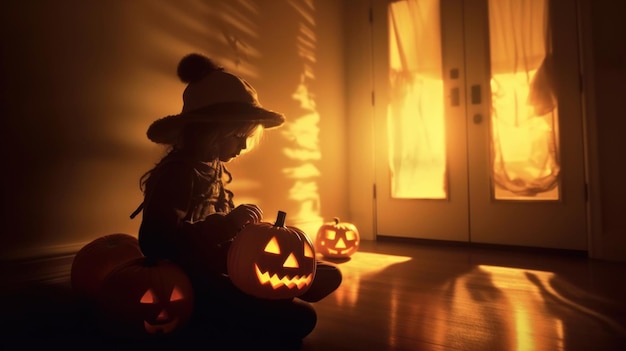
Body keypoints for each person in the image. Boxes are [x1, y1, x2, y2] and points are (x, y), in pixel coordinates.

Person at [130, 53, 342, 344]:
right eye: (238, 135)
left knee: (322, 273)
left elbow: (221, 231)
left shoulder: (214, 168)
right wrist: (226, 225)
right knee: (301, 318)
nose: (243, 145)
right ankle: (242, 312)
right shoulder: (177, 174)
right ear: (212, 131)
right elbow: (157, 241)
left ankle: (276, 292)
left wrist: (247, 236)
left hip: (220, 261)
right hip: (193, 278)